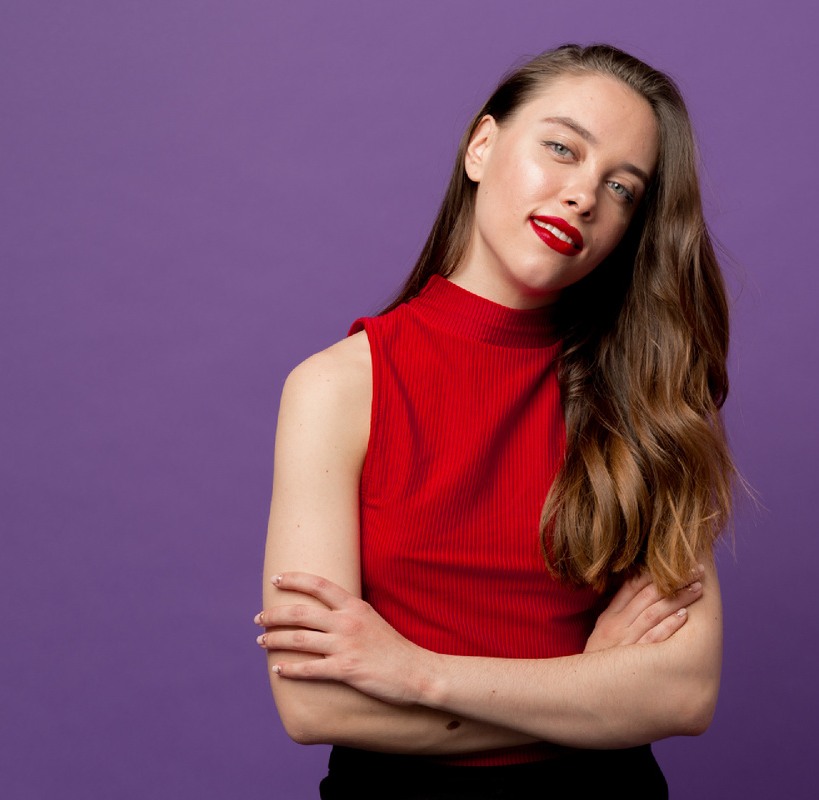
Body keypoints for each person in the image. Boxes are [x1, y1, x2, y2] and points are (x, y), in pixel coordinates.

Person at [256, 43, 737, 798]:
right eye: (561, 148)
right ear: (481, 146)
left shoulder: (651, 395)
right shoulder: (337, 388)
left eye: (621, 187)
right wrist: (588, 687)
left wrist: (418, 674)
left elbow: (682, 694)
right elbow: (316, 705)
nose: (585, 195)